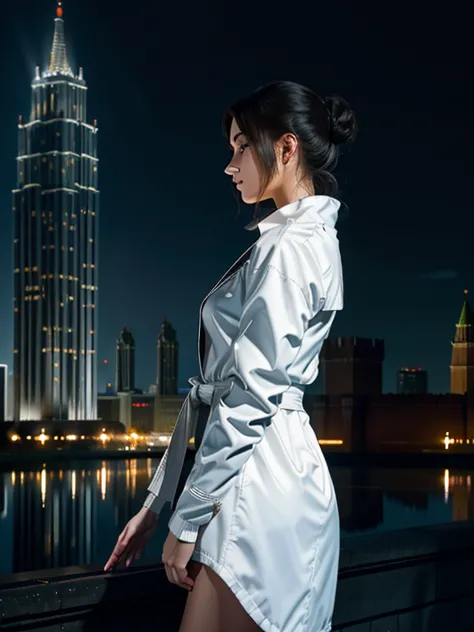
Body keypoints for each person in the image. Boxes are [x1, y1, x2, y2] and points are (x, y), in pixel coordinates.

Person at [104, 80, 357, 632]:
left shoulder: (291, 247)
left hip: (257, 489)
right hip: (261, 476)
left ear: (286, 149)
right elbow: (227, 395)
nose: (231, 164)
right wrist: (157, 504)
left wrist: (184, 521)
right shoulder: (302, 240)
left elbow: (249, 395)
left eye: (242, 146)